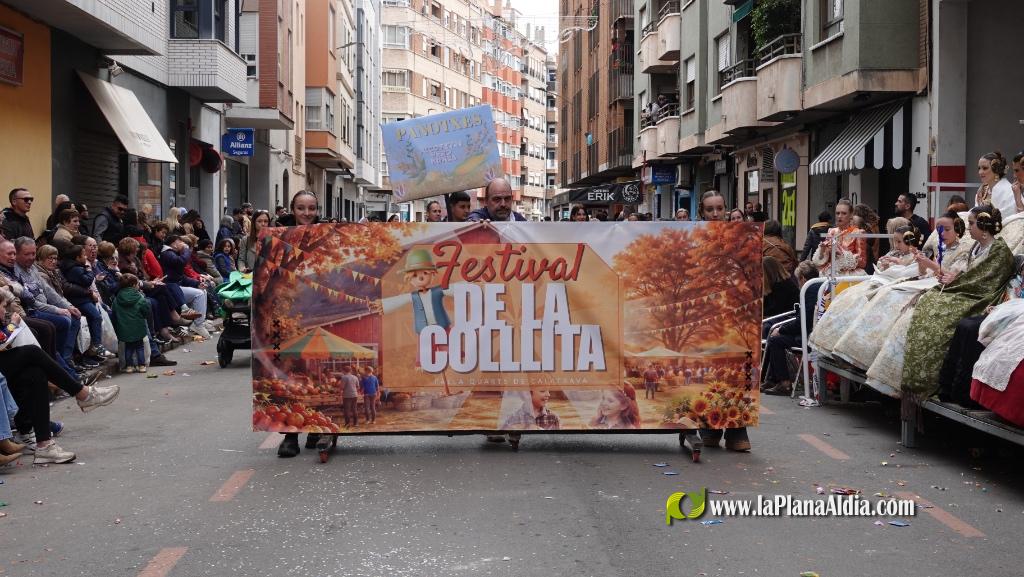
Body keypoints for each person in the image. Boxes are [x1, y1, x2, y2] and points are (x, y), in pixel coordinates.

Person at [898, 206, 1016, 398]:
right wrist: (954, 278)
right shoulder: (977, 247)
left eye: (971, 223)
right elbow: (970, 275)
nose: (968, 228)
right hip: (967, 291)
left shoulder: (999, 251)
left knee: (940, 316)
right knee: (929, 301)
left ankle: (933, 381)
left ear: (984, 225)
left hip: (980, 298)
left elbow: (984, 283)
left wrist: (956, 280)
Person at [699, 189, 750, 451]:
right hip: (707, 319)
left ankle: (736, 431)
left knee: (735, 373)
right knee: (711, 374)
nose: (716, 214)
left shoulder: (742, 240)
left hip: (736, 318)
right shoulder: (695, 241)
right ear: (702, 212)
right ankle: (709, 427)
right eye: (710, 209)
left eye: (720, 208)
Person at [278, 191, 322, 458]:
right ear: (293, 209)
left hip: (315, 311)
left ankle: (316, 428)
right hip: (286, 313)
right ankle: (290, 434)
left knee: (313, 373)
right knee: (288, 373)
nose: (307, 213)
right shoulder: (277, 236)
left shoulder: (325, 235)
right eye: (301, 208)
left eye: (311, 208)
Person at [762, 262, 820, 395]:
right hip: (809, 331)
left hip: (808, 335)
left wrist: (782, 329)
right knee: (773, 334)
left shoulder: (809, 290)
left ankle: (784, 383)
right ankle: (773, 379)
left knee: (775, 339)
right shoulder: (818, 286)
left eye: (798, 279)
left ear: (803, 279)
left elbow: (803, 321)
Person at [60, 244, 111, 360]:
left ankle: (95, 346)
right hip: (80, 300)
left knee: (96, 317)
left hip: (83, 298)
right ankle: (97, 345)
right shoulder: (76, 269)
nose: (85, 257)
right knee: (96, 317)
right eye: (83, 255)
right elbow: (86, 281)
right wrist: (89, 271)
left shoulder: (75, 267)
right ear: (77, 258)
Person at [811, 200, 866, 276]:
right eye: (837, 213)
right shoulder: (832, 232)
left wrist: (842, 254)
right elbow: (821, 261)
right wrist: (822, 250)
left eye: (844, 213)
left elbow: (862, 262)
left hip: (849, 276)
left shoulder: (858, 233)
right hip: (830, 273)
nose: (840, 216)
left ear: (851, 215)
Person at [112, 273, 150, 373]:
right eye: (137, 284)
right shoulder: (139, 297)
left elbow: (114, 313)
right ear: (133, 285)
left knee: (128, 347)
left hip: (123, 327)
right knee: (139, 347)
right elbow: (146, 310)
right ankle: (142, 365)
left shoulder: (117, 299)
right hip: (138, 326)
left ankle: (129, 366)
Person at [975, 152, 1017, 217]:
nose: (980, 172)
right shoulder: (982, 190)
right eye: (979, 168)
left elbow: (1010, 214)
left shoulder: (1009, 191)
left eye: (985, 168)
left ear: (996, 170)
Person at [341, 364, 360, 428]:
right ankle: (356, 423)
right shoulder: (355, 377)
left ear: (344, 371)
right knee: (354, 409)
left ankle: (347, 424)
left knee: (347, 410)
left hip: (347, 396)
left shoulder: (344, 377)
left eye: (342, 371)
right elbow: (358, 387)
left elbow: (342, 387)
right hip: (355, 395)